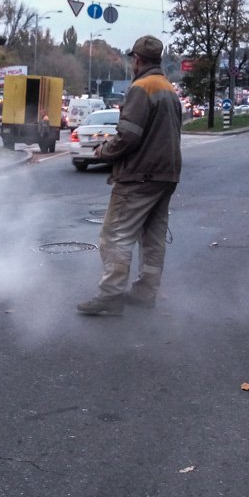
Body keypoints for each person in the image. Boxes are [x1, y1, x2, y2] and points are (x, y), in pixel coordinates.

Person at [77, 35, 183, 316]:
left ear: (137, 59)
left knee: (115, 235)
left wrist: (103, 152)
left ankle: (110, 295)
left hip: (140, 176)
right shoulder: (168, 89)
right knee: (153, 238)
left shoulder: (142, 88)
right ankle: (146, 292)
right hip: (166, 175)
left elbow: (128, 137)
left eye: (132, 59)